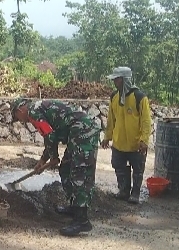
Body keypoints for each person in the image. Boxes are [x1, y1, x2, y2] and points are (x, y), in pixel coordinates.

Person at [11, 98, 100, 236]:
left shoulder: (33, 111)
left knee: (79, 173)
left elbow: (49, 135)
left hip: (83, 130)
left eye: (17, 117)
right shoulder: (37, 109)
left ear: (20, 110)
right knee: (65, 168)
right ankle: (74, 207)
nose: (21, 121)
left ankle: (82, 220)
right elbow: (51, 135)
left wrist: (53, 157)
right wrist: (44, 159)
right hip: (75, 132)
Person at [101, 67, 152, 204]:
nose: (114, 82)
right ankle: (123, 191)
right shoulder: (114, 97)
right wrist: (107, 137)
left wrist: (144, 140)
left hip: (136, 144)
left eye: (117, 79)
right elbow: (111, 119)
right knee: (119, 167)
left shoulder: (139, 97)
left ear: (124, 80)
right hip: (119, 142)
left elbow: (146, 121)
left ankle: (135, 193)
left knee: (138, 169)